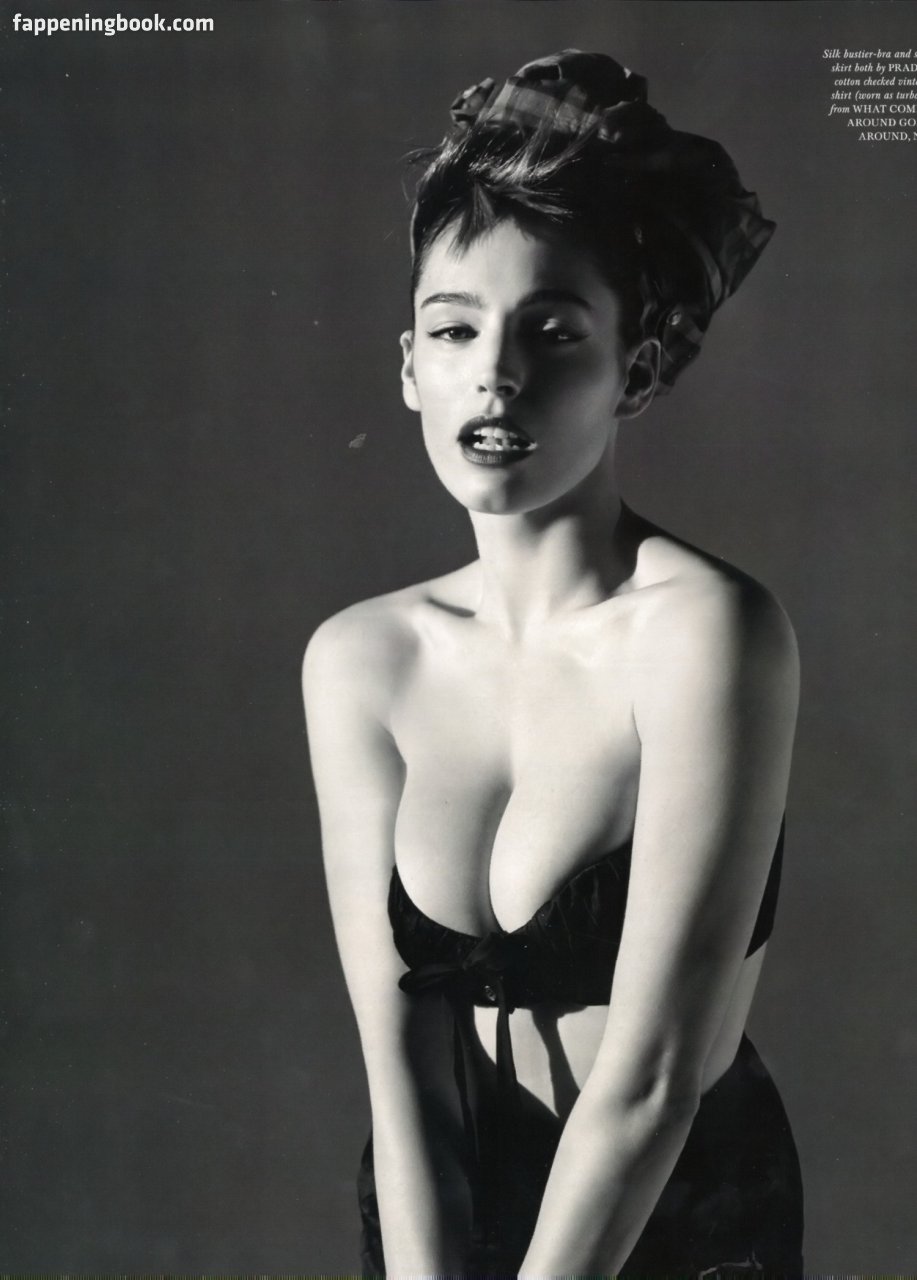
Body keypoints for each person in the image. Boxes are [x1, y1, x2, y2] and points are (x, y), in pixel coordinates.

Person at [303, 50, 804, 1276]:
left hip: (667, 1219)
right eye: (454, 329)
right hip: (448, 1214)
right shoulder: (360, 659)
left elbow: (650, 1078)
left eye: (551, 330)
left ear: (636, 367)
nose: (495, 371)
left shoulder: (707, 633)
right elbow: (401, 1077)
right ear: (409, 366)